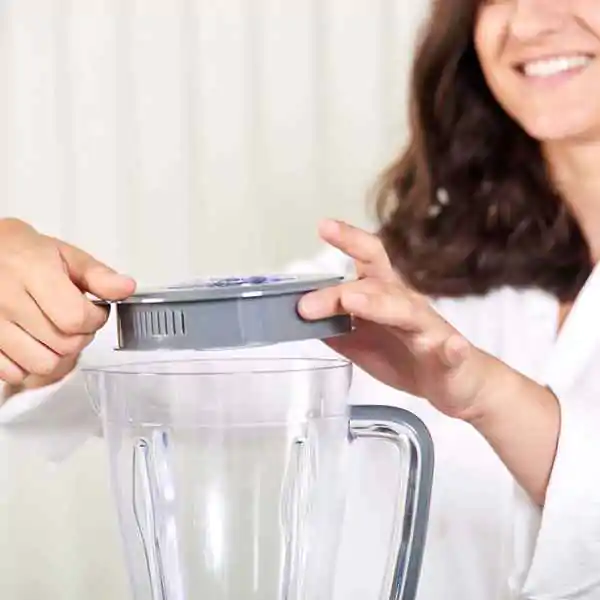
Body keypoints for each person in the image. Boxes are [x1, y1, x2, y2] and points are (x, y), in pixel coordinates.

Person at [0, 0, 599, 598]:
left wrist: (490, 396)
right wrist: (37, 311)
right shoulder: (404, 277)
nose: (528, 22)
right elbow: (144, 374)